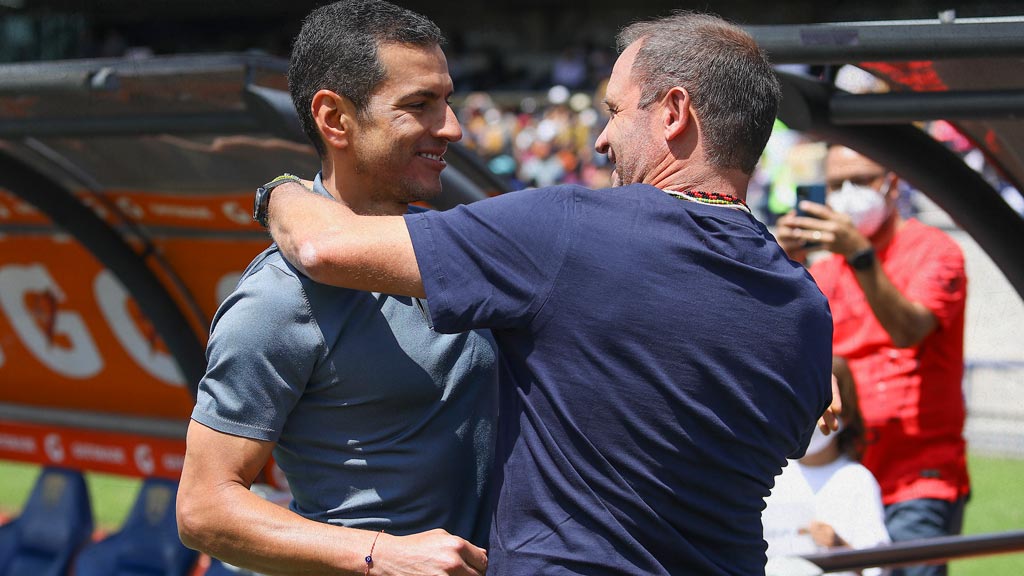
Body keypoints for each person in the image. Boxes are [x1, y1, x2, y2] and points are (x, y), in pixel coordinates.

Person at [259, 11, 834, 575]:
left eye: (614, 110)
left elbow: (323, 249)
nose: (603, 137)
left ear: (674, 113)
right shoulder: (805, 309)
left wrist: (278, 190)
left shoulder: (569, 230)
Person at [175, 2, 495, 575]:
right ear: (335, 118)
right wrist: (382, 554)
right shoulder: (278, 298)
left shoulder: (465, 246)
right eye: (419, 105)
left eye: (446, 100)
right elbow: (203, 508)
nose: (451, 127)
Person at [776, 144, 970, 576]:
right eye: (835, 185)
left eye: (860, 181)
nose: (846, 194)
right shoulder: (825, 272)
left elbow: (908, 331)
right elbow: (784, 349)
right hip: (842, 473)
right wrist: (783, 262)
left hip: (918, 477)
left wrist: (861, 256)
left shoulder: (936, 251)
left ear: (891, 184)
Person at [762, 357, 891, 576]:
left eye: (826, 409)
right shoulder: (769, 475)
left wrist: (838, 546)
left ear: (846, 414)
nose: (815, 420)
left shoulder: (857, 480)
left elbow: (878, 567)